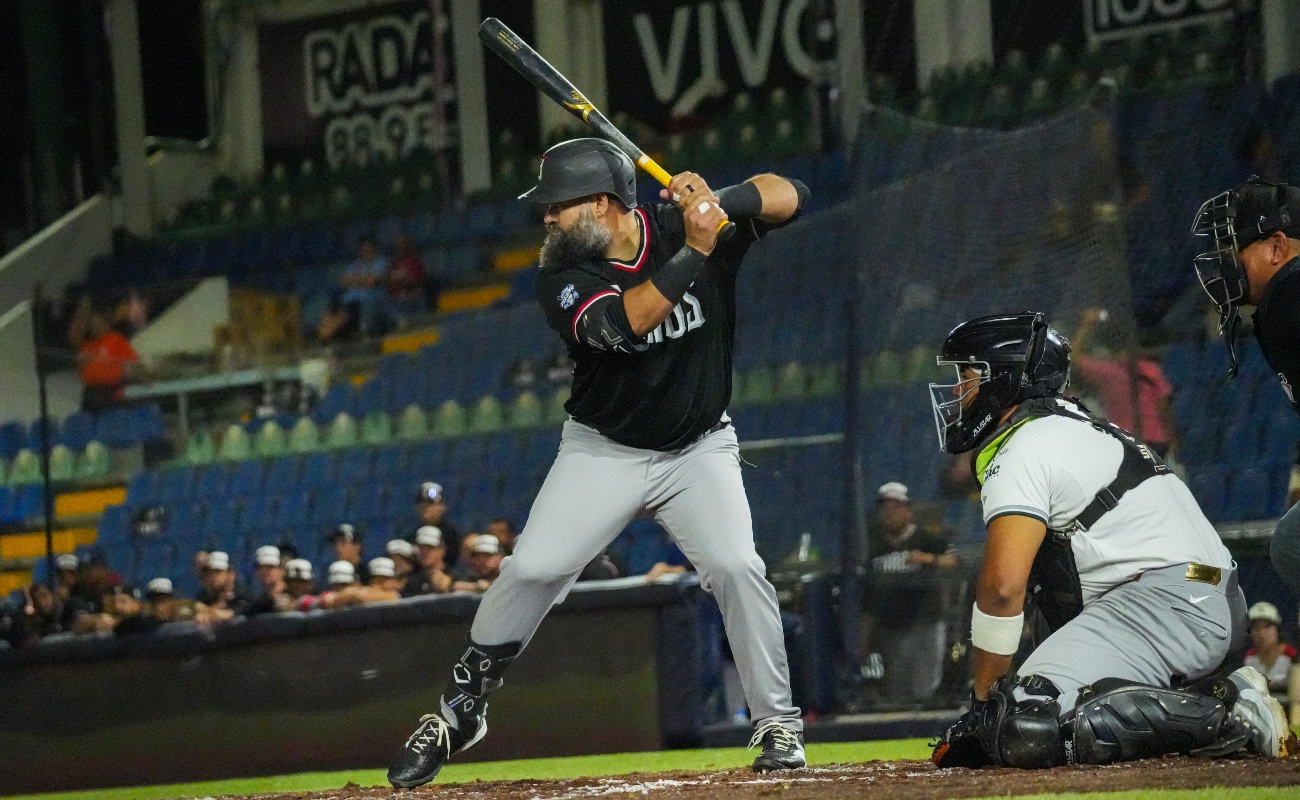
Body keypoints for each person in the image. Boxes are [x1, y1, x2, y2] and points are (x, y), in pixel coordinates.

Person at [387, 137, 811, 787]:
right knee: (533, 568)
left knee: (736, 565)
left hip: (697, 447)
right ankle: (459, 710)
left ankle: (777, 723)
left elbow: (792, 195)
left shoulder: (687, 224)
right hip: (603, 450)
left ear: (606, 204)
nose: (548, 219)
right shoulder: (560, 273)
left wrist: (719, 202)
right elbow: (621, 325)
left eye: (558, 205)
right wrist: (698, 246)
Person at [927, 312, 1288, 770]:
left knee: (1019, 721)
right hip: (1203, 597)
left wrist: (982, 705)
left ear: (1004, 378)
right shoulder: (1075, 425)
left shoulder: (1023, 444)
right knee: (1030, 688)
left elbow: (1002, 590)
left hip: (1170, 603)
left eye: (967, 374)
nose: (959, 390)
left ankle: (1224, 715)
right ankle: (1202, 694)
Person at [1191, 178, 1300, 594]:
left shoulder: (1291, 290)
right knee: (1291, 543)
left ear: (1276, 247)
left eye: (1235, 250)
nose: (1225, 263)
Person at [859, 481, 958, 704]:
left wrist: (928, 558)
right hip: (892, 628)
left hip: (927, 623)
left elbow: (955, 561)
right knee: (897, 691)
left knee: (924, 689)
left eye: (896, 507)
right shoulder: (874, 549)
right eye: (885, 509)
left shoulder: (926, 539)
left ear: (908, 511)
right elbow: (868, 600)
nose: (890, 513)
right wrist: (863, 641)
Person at [1069, 308, 1178, 459]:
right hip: (1156, 441)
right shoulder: (1150, 369)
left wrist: (1086, 325)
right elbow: (1164, 409)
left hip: (1126, 441)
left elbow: (1072, 358)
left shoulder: (1107, 372)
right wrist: (1173, 441)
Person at [68, 300, 139, 412]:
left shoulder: (116, 340)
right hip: (91, 393)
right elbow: (79, 369)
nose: (94, 326)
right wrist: (81, 363)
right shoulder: (88, 345)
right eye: (92, 324)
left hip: (112, 392)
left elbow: (134, 362)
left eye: (97, 323)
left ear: (106, 324)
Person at [339, 236, 390, 336]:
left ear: (374, 248)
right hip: (350, 301)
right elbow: (343, 282)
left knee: (366, 301)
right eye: (363, 248)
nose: (365, 250)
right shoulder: (354, 265)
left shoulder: (381, 262)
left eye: (368, 247)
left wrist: (355, 280)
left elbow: (371, 282)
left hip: (371, 298)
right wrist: (363, 279)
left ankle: (365, 331)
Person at [1244, 601, 1296, 695]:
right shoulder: (1249, 659)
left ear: (1278, 630)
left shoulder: (1292, 656)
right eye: (1256, 627)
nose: (1262, 633)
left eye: (1267, 626)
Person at [194, 551, 251, 624]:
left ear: (231, 574)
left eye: (217, 572)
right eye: (209, 572)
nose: (212, 576)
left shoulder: (241, 596)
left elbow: (244, 608)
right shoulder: (204, 597)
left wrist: (212, 613)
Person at [416, 482, 463, 568]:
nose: (425, 507)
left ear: (442, 506)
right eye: (422, 503)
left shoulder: (452, 537)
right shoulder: (413, 536)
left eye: (430, 503)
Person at [386, 234, 428, 325]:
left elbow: (418, 281)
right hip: (396, 297)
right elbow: (389, 282)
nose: (400, 247)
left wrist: (405, 279)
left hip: (412, 295)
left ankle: (409, 322)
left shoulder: (415, 261)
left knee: (415, 296)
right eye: (398, 244)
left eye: (403, 244)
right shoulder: (393, 263)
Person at [115, 578, 180, 636]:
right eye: (154, 603)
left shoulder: (184, 621)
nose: (158, 607)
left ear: (173, 602)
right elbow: (119, 629)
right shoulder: (145, 622)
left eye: (163, 601)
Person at [402, 525, 453, 597]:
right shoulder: (411, 585)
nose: (424, 552)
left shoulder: (454, 577)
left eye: (430, 547)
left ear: (442, 550)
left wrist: (450, 587)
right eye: (420, 548)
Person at [247, 545, 288, 615]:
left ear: (282, 569)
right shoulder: (257, 605)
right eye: (260, 567)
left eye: (270, 567)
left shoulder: (294, 594)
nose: (265, 571)